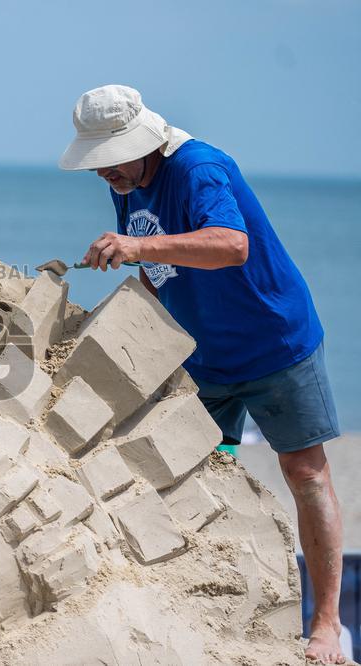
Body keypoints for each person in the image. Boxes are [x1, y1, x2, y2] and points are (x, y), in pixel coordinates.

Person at [59, 84, 344, 664]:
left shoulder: (198, 167)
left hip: (275, 344)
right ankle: (207, 607)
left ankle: (327, 628)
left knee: (305, 472)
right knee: (189, 475)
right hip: (202, 357)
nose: (104, 173)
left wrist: (136, 251)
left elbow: (230, 245)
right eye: (97, 163)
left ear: (141, 141)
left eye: (110, 160)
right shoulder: (128, 179)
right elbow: (159, 264)